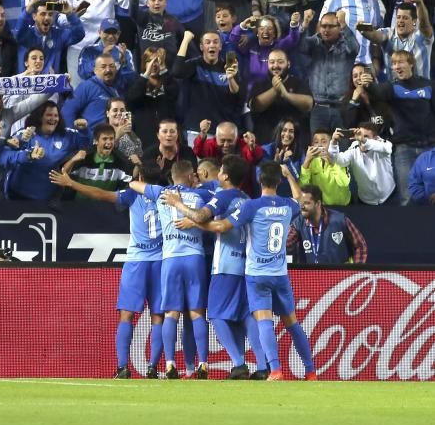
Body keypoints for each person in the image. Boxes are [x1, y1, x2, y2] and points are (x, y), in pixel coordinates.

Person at [188, 160, 317, 381]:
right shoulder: (288, 205)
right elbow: (300, 199)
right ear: (278, 180)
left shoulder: (252, 206)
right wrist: (289, 177)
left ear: (259, 180)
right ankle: (311, 370)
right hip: (280, 274)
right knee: (293, 323)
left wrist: (196, 223)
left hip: (257, 274)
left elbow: (220, 227)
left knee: (264, 321)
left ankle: (275, 370)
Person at [49, 162, 164, 379]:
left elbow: (100, 194)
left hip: (137, 261)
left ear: (139, 175)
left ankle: (122, 368)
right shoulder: (166, 196)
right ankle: (153, 368)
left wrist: (72, 183)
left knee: (126, 315)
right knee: (158, 316)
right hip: (161, 262)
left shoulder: (131, 195)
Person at [161, 154, 269, 380]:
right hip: (246, 264)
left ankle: (239, 364)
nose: (218, 173)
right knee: (245, 315)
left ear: (226, 176)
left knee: (216, 315)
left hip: (225, 264)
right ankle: (262, 364)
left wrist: (178, 204)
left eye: (221, 170)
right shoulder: (246, 198)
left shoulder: (224, 197)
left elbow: (201, 215)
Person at [129, 159, 211, 380]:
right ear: (189, 176)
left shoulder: (161, 193)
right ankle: (203, 364)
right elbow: (211, 215)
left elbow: (133, 185)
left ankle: (169, 364)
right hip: (194, 257)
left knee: (170, 314)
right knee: (196, 313)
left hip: (171, 259)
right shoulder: (201, 195)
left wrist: (155, 187)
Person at [361, 49, 435, 205]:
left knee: (432, 194)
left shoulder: (428, 85)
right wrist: (368, 84)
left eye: (400, 62)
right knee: (407, 197)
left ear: (411, 64)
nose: (396, 66)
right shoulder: (391, 88)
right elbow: (377, 91)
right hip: (404, 150)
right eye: (393, 63)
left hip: (430, 148)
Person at [65, 0, 134, 85]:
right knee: (77, 88)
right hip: (78, 46)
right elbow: (59, 18)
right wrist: (71, 16)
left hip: (104, 45)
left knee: (108, 89)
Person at [6, 100, 89, 202]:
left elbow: (85, 144)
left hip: (48, 199)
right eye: (49, 115)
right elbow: (9, 151)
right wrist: (18, 142)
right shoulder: (27, 133)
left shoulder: (66, 135)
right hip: (18, 195)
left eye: (56, 115)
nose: (53, 119)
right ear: (40, 117)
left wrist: (84, 130)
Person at [172, 30, 245, 139]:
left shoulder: (229, 68)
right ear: (201, 47)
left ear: (220, 46)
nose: (212, 45)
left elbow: (238, 96)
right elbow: (177, 72)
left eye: (215, 42)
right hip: (197, 130)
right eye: (208, 42)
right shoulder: (195, 65)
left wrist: (230, 78)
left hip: (222, 132)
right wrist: (186, 40)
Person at [319, 0, 384, 66]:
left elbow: (376, 34)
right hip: (338, 63)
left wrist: (376, 61)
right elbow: (320, 30)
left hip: (365, 63)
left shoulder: (373, 2)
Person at [287, 184, 368, 263]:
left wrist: (354, 271)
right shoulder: (298, 224)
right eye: (300, 203)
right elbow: (284, 246)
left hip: (339, 275)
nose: (302, 206)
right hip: (311, 276)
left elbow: (360, 246)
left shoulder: (339, 220)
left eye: (306, 203)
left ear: (318, 204)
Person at [356, 0, 433, 79]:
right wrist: (364, 31)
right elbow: (376, 36)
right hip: (395, 89)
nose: (400, 21)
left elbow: (425, 24)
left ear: (414, 21)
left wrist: (419, 2)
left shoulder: (422, 37)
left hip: (421, 88)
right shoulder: (388, 33)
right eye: (398, 17)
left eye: (405, 18)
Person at [249, 49, 313, 144]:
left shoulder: (299, 83)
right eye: (272, 62)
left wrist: (286, 94)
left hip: (296, 141)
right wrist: (275, 90)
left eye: (280, 62)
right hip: (266, 140)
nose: (275, 66)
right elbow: (255, 106)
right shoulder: (259, 84)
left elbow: (308, 104)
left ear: (288, 64)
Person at [15, 0, 85, 75]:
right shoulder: (27, 34)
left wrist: (70, 14)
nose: (47, 17)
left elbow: (79, 34)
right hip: (28, 82)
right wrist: (28, 9)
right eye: (43, 14)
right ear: (34, 16)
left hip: (52, 83)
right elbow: (18, 33)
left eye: (50, 14)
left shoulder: (59, 35)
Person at [126, 49, 180, 151]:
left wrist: (163, 69)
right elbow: (131, 99)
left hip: (167, 140)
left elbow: (174, 93)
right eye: (149, 61)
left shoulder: (168, 81)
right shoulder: (136, 82)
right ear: (144, 63)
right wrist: (146, 74)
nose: (154, 64)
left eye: (157, 61)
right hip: (143, 138)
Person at [328, 124, 395, 205]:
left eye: (366, 136)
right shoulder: (354, 148)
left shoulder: (383, 144)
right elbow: (338, 161)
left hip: (389, 197)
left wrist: (364, 141)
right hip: (365, 201)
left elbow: (387, 148)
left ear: (376, 138)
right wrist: (334, 143)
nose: (361, 139)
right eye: (360, 135)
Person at [62, 123, 132, 195]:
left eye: (111, 139)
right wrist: (73, 160)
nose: (109, 142)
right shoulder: (83, 159)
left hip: (108, 204)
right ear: (95, 141)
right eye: (105, 139)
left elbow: (128, 186)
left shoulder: (121, 162)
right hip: (81, 205)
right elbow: (62, 175)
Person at [61, 54, 124, 131]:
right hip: (91, 139)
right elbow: (67, 111)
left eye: (111, 66)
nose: (108, 70)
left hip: (113, 138)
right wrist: (72, 137)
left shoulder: (119, 88)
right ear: (95, 70)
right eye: (103, 67)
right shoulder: (86, 86)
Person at [129, 0, 187, 67]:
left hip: (169, 68)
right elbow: (132, 13)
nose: (157, 3)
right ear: (147, 3)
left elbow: (184, 41)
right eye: (153, 0)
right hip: (148, 69)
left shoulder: (173, 20)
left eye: (160, 0)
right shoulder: (142, 18)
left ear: (166, 2)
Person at [77, 18, 136, 91]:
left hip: (117, 95)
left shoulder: (126, 53)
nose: (111, 36)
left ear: (119, 34)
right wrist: (102, 57)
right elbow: (83, 74)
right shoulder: (88, 50)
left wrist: (123, 63)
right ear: (99, 33)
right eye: (107, 32)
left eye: (114, 33)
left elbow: (130, 81)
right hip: (94, 93)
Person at [299, 128, 351, 206]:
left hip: (342, 205)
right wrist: (306, 162)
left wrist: (332, 163)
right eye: (316, 142)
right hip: (321, 206)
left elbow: (344, 182)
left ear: (331, 144)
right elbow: (303, 187)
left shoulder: (340, 159)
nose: (319, 145)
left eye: (324, 142)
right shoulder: (310, 162)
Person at [141, 118, 196, 185]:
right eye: (164, 131)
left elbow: (194, 177)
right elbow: (146, 183)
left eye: (172, 131)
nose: (169, 135)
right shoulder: (148, 154)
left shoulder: (188, 152)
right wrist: (157, 171)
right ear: (158, 135)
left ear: (177, 134)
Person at [105, 97, 143, 169]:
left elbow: (140, 157)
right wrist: (118, 135)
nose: (119, 113)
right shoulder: (101, 132)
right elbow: (101, 154)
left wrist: (139, 164)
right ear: (108, 113)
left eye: (122, 110)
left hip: (131, 176)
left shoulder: (132, 134)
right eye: (115, 110)